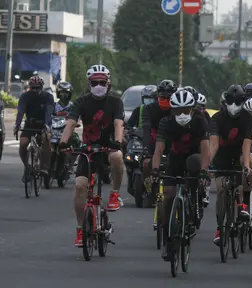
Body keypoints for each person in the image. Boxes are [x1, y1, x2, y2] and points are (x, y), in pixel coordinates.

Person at [59, 64, 125, 247]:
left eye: (102, 82)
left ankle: (114, 194)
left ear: (108, 83)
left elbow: (119, 124)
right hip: (88, 151)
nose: (98, 85)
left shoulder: (115, 102)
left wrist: (117, 142)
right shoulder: (81, 102)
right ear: (89, 84)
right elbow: (71, 123)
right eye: (94, 82)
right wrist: (63, 142)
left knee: (117, 157)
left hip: (109, 149)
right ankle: (80, 229)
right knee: (80, 186)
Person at [151, 89, 210, 260]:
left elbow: (206, 148)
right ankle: (168, 238)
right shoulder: (166, 122)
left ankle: (194, 200)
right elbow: (159, 148)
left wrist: (205, 171)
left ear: (192, 109)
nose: (182, 114)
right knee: (168, 194)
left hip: (195, 157)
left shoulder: (200, 121)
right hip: (175, 158)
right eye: (178, 111)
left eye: (186, 111)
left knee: (193, 165)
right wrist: (155, 170)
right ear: (172, 111)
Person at [209, 84, 252, 245]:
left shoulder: (249, 119)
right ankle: (219, 227)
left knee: (247, 162)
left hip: (239, 154)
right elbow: (213, 144)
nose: (234, 105)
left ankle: (243, 205)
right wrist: (207, 165)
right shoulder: (216, 118)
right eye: (231, 101)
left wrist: (246, 166)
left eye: (238, 101)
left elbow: (246, 144)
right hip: (222, 155)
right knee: (222, 189)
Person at [14, 75, 54, 183]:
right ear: (30, 87)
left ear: (42, 87)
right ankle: (27, 166)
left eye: (38, 88)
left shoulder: (48, 97)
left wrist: (47, 126)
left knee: (46, 142)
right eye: (33, 88)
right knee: (23, 144)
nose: (35, 90)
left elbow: (49, 112)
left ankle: (44, 168)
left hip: (43, 124)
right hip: (30, 124)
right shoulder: (25, 96)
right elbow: (21, 111)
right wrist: (17, 125)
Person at [141, 80, 178, 181]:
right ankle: (147, 186)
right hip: (153, 139)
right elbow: (146, 129)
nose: (165, 100)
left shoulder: (177, 110)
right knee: (146, 163)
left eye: (169, 98)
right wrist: (146, 149)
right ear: (157, 95)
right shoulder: (148, 109)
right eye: (162, 97)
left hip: (172, 140)